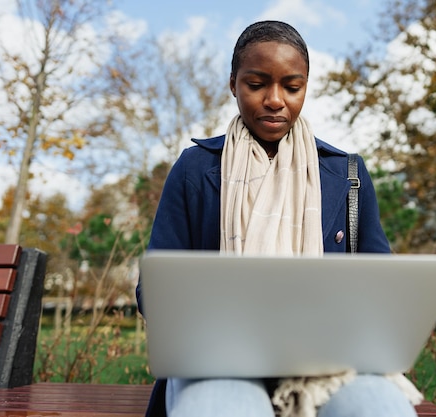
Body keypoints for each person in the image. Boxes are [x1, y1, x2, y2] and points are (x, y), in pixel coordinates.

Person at [137, 20, 419, 417]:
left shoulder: (348, 174)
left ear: (306, 86)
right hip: (216, 357)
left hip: (328, 357)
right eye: (256, 84)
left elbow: (379, 287)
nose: (274, 99)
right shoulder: (195, 168)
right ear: (233, 83)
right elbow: (153, 290)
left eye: (291, 86)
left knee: (381, 409)